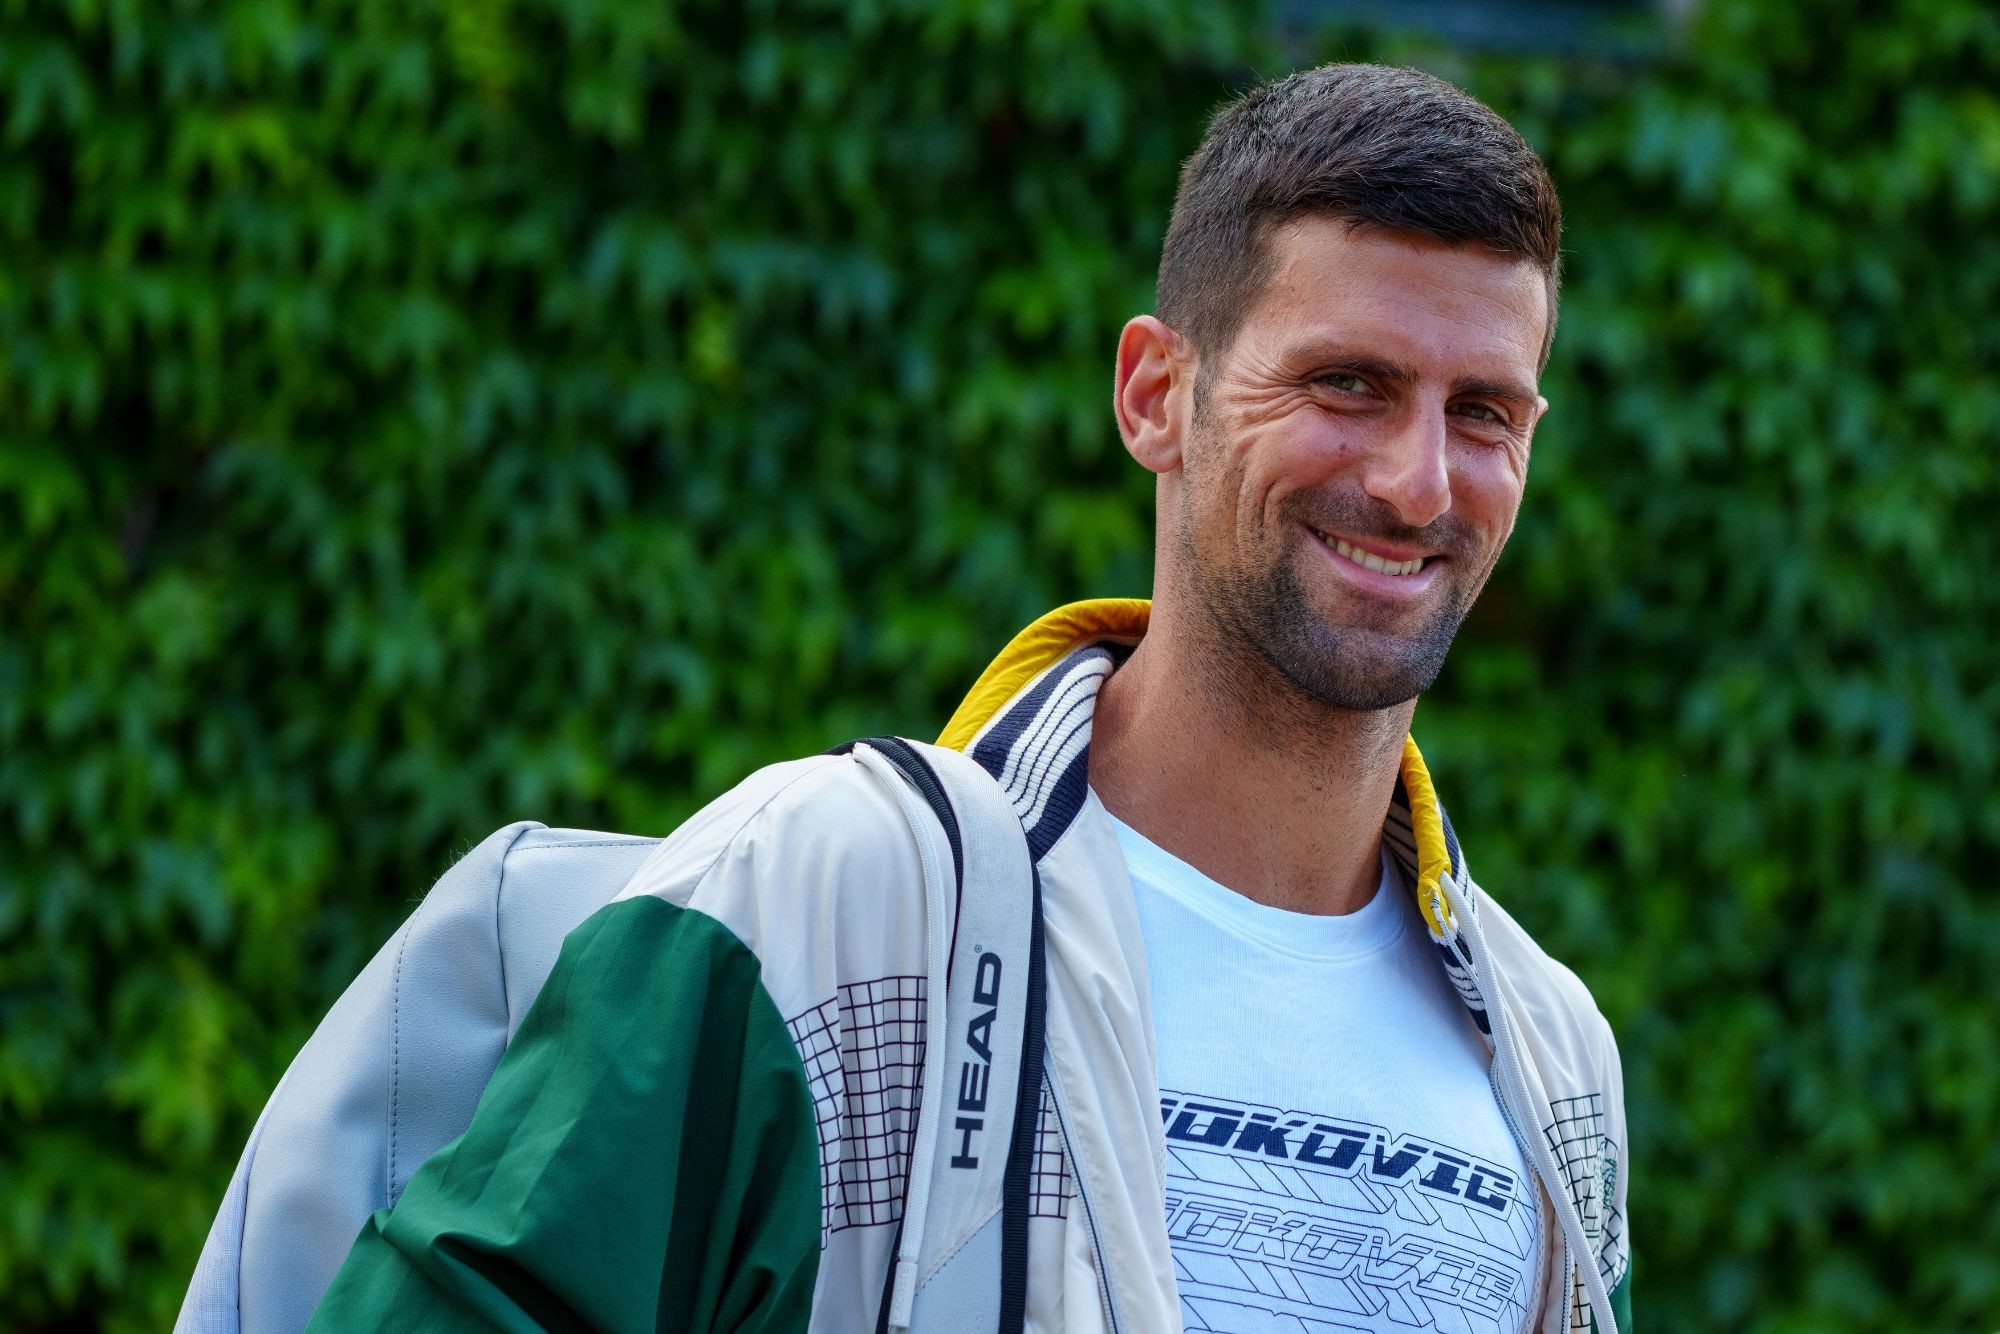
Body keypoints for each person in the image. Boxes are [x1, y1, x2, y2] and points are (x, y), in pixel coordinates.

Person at [309, 63, 1631, 1334]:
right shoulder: (829, 904)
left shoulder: (1554, 1058)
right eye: (1348, 385)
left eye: (1484, 413)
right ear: (1155, 397)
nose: (1417, 482)